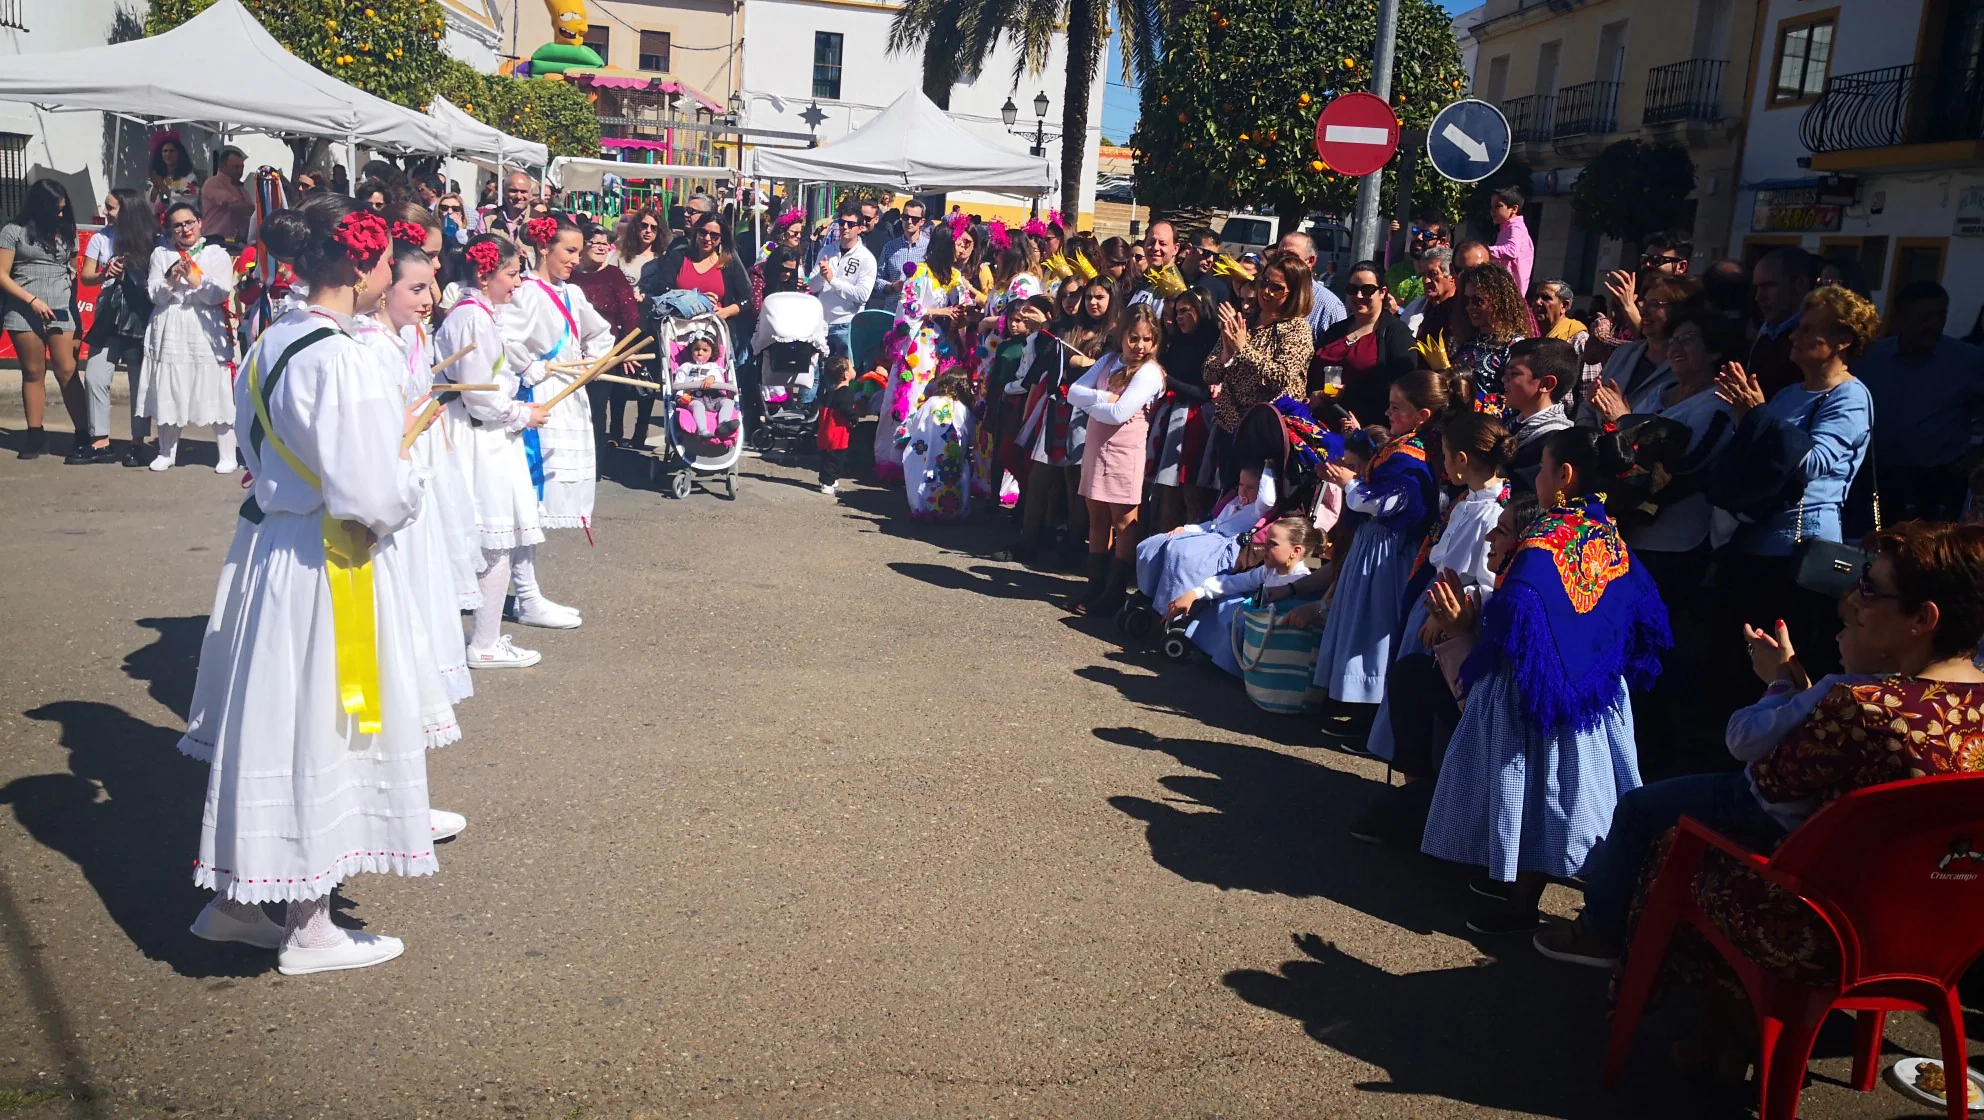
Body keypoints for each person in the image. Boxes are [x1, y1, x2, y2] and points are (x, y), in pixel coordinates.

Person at [1536, 523, 1984, 1028]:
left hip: (1821, 923)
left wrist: (1779, 684)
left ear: (1923, 618)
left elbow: (1767, 781)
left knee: (1654, 820)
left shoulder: (1864, 706)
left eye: (1870, 588)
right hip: (1933, 933)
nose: (1855, 599)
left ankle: (1610, 938)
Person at [177, 193, 436, 975]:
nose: (394, 273)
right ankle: (311, 924)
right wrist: (413, 476)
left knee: (279, 716)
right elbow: (371, 492)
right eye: (390, 262)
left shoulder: (276, 336)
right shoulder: (342, 358)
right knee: (320, 723)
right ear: (359, 263)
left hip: (275, 551)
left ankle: (235, 902)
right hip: (330, 561)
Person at [1422, 426, 1670, 934]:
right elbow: (1636, 604)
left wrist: (1475, 635)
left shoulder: (1546, 536)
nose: (1536, 477)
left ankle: (1520, 899)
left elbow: (1519, 606)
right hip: (1595, 692)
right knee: (1575, 789)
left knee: (1527, 785)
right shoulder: (1606, 532)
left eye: (1542, 467)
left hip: (1532, 686)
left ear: (1565, 476)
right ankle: (1544, 891)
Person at [1351, 409, 1518, 843]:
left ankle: (1428, 799)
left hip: (1452, 623)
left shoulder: (1492, 511)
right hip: (1434, 612)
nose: (1442, 463)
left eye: (1444, 455)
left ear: (1461, 459)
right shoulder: (1470, 501)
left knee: (1428, 700)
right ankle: (1416, 793)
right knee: (1410, 690)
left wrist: (1446, 616)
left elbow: (1484, 580)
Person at [1714, 283, 1878, 676]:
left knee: (1790, 666)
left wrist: (1760, 417)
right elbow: (1759, 456)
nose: (1794, 336)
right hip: (1752, 543)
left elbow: (1813, 463)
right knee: (1740, 666)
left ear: (1843, 340)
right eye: (1798, 326)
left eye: (1808, 329)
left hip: (1799, 555)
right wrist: (1746, 420)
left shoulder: (1850, 397)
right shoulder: (1788, 394)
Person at [1301, 370, 1447, 712]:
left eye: (1397, 408)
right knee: (1357, 615)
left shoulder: (1416, 454)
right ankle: (1346, 696)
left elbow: (1384, 503)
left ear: (1422, 415)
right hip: (1371, 545)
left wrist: (1350, 483)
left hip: (1388, 550)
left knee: (1374, 621)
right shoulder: (1400, 445)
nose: (1388, 414)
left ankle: (1367, 702)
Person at [439, 233, 551, 669]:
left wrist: (527, 368)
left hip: (486, 434)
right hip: (481, 438)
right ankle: (483, 642)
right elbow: (480, 395)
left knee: (496, 543)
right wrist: (523, 413)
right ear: (485, 276)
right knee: (494, 543)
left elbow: (496, 363)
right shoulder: (473, 319)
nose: (518, 283)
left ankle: (483, 638)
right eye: (511, 273)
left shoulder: (479, 314)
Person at [505, 214, 614, 624]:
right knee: (531, 496)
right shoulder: (528, 292)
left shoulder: (572, 292)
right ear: (544, 249)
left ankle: (527, 591)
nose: (576, 257)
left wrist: (595, 364)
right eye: (569, 250)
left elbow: (599, 333)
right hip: (540, 397)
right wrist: (529, 367)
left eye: (578, 249)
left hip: (568, 395)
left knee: (542, 498)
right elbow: (504, 337)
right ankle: (525, 594)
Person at [1067, 303, 1168, 615]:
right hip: (1097, 446)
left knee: (1123, 521)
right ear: (1122, 336)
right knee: (1097, 519)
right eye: (1133, 338)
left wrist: (1099, 404)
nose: (1139, 346)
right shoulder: (1109, 360)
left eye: (1147, 340)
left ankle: (1115, 591)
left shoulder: (1150, 372)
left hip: (1126, 450)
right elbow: (1073, 391)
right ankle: (1094, 584)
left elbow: (1121, 414)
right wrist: (1105, 398)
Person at [1854, 281, 1984, 522]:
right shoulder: (1870, 358)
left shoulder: (1967, 361)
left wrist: (1979, 452)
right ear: (1901, 318)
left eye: (1940, 316)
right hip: (1876, 481)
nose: (1933, 325)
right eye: (1924, 317)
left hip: (1937, 486)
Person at [871, 223, 972, 483]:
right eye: (958, 243)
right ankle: (895, 458)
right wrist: (939, 312)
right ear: (945, 244)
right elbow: (909, 306)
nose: (961, 248)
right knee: (912, 396)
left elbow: (963, 307)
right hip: (921, 345)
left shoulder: (956, 277)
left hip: (945, 346)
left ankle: (931, 456)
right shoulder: (920, 272)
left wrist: (962, 317)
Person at [141, 202, 237, 473]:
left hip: (204, 325)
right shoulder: (161, 254)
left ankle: (227, 454)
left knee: (215, 387)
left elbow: (218, 293)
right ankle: (166, 451)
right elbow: (154, 294)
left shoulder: (216, 253)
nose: (185, 229)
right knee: (169, 385)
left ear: (200, 222)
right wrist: (171, 279)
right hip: (169, 324)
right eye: (178, 225)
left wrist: (195, 280)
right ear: (170, 229)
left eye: (189, 222)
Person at [1013, 279, 1102, 567]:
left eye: (1093, 297)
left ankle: (1073, 548)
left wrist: (1088, 364)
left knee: (1076, 484)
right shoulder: (1066, 329)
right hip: (1058, 407)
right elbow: (1047, 364)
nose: (1088, 303)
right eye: (1077, 297)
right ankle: (1027, 544)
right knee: (1040, 478)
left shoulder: (1111, 334)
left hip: (1087, 416)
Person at [1206, 251, 1314, 480]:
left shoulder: (1296, 329)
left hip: (1268, 434)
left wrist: (1243, 349)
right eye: (1264, 282)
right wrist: (1226, 355)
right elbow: (1208, 373)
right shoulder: (1245, 319)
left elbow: (1280, 377)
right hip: (1229, 427)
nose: (1266, 291)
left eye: (1276, 287)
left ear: (1294, 293)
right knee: (1227, 501)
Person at [0, 179, 85, 461]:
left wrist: (70, 271)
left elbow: (70, 263)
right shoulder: (13, 231)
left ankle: (84, 433)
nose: (61, 215)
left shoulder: (66, 231)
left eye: (64, 209)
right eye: (56, 210)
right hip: (24, 310)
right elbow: (2, 274)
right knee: (33, 372)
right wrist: (31, 301)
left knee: (67, 371)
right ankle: (35, 433)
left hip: (61, 308)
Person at [78, 187, 158, 465]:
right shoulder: (100, 238)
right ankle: (100, 441)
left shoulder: (152, 239)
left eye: (111, 207)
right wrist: (104, 273)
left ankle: (138, 442)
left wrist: (132, 272)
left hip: (139, 314)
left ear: (128, 209)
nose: (105, 212)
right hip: (109, 313)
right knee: (95, 376)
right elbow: (86, 276)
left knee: (139, 382)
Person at [1136, 464, 1274, 616]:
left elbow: (1267, 500)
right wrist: (1188, 529)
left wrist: (1268, 467)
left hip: (1225, 544)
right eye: (1241, 485)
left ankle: (1173, 606)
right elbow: (1213, 523)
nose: (1243, 490)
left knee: (1181, 555)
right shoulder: (1234, 502)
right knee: (1156, 543)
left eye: (1250, 487)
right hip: (1208, 534)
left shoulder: (1258, 510)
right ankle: (1149, 591)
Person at [1310, 259, 1417, 429]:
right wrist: (1315, 394)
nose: (1359, 296)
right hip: (1317, 425)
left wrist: (1349, 393)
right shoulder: (1336, 330)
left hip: (1365, 431)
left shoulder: (1396, 333)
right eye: (1353, 289)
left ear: (1382, 292)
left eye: (1367, 290)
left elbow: (1403, 388)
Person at [1148, 288, 1221, 531]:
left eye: (1185, 311)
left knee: (1191, 491)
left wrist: (1167, 379)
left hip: (1197, 422)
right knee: (1166, 491)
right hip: (1172, 417)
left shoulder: (1212, 345)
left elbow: (1205, 392)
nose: (1178, 318)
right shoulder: (1178, 342)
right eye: (1176, 312)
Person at [568, 221, 645, 449]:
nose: (602, 248)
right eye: (596, 243)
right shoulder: (570, 275)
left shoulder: (614, 275)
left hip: (605, 351)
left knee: (596, 407)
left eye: (606, 244)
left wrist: (628, 350)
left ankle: (596, 461)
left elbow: (629, 315)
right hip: (571, 349)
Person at [1164, 515, 1321, 621]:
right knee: (1226, 601)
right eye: (1265, 542)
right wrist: (1196, 593)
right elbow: (1234, 582)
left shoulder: (1300, 581)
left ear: (1296, 551)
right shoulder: (1269, 571)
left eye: (1272, 544)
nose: (1264, 548)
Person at [1500, 337, 1578, 485]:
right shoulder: (1511, 426)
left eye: (1514, 374)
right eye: (1506, 373)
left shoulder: (1557, 439)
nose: (1504, 379)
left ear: (1546, 384)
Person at [1448, 263, 1530, 403]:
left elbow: (1515, 399)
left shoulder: (1514, 347)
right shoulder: (1463, 340)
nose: (1470, 307)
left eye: (1478, 300)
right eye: (1466, 301)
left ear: (1500, 300)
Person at [809, 200, 876, 358]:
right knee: (818, 375)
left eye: (850, 224)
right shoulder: (827, 249)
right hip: (822, 323)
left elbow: (862, 295)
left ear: (860, 228)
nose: (845, 227)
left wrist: (832, 280)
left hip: (846, 325)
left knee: (842, 376)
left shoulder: (866, 258)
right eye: (842, 222)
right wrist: (822, 276)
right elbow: (811, 286)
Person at [1747, 247, 1818, 397]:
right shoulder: (1765, 333)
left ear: (1800, 284)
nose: (1759, 297)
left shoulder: (1817, 340)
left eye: (1768, 286)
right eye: (1757, 287)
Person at [671, 331, 740, 448]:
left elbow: (719, 379)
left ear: (712, 352)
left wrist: (712, 378)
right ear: (691, 350)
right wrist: (680, 396)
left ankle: (723, 423)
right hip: (693, 396)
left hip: (714, 396)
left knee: (728, 402)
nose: (700, 353)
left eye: (705, 350)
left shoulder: (713, 367)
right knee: (698, 406)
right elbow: (678, 383)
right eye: (696, 349)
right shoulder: (685, 367)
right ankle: (703, 431)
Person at [1276, 230, 1347, 340]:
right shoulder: (1266, 294)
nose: (1283, 261)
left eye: (1291, 256)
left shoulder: (1329, 307)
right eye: (1280, 255)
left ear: (1310, 261)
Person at [873, 199, 929, 313]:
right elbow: (877, 279)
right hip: (892, 311)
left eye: (914, 219)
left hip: (919, 313)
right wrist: (893, 286)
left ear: (922, 221)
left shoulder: (930, 248)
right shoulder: (890, 247)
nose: (909, 221)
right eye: (905, 217)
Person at [816, 355, 858, 497]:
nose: (854, 369)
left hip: (825, 429)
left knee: (827, 457)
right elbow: (845, 409)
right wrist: (854, 418)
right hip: (837, 431)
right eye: (851, 367)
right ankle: (827, 482)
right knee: (836, 459)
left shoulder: (831, 391)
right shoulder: (846, 392)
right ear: (846, 374)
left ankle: (828, 479)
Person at [198, 146, 255, 246]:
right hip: (215, 240)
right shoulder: (213, 183)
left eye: (242, 167)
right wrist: (259, 209)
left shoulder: (242, 190)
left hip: (236, 242)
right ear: (222, 167)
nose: (239, 170)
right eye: (235, 167)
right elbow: (235, 207)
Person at [1486, 185, 1533, 302]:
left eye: (1498, 206)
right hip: (1503, 290)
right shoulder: (1505, 228)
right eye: (1491, 207)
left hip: (1511, 295)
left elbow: (1512, 251)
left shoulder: (1516, 227)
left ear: (1514, 209)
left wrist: (1484, 250)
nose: (1492, 211)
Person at [1398, 246, 1456, 340]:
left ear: (1452, 277)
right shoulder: (1415, 308)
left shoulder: (1461, 312)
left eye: (1433, 274)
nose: (1426, 281)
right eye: (1423, 275)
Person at [1528, 278, 1588, 361]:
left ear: (1564, 306)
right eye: (1536, 297)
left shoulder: (1578, 339)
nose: (1538, 302)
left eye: (1546, 298)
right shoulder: (1527, 333)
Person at [607, 205, 662, 286]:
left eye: (653, 227)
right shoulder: (620, 255)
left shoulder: (661, 259)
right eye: (644, 225)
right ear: (636, 227)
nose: (648, 231)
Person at [147, 132, 199, 211]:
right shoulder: (161, 178)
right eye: (165, 151)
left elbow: (189, 202)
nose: (168, 154)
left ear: (179, 154)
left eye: (172, 151)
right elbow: (150, 206)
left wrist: (163, 187)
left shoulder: (190, 177)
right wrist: (156, 187)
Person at [483, 172, 536, 243]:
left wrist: (528, 254)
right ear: (504, 191)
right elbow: (477, 250)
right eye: (513, 191)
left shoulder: (540, 220)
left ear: (531, 194)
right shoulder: (488, 218)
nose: (519, 196)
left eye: (523, 192)